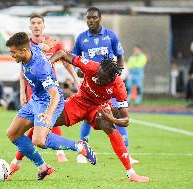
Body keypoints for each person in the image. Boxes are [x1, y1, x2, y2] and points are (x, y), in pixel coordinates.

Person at [5, 32, 96, 180]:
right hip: (36, 99)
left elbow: (55, 94)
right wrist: (46, 46)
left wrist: (48, 114)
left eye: (13, 53)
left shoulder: (40, 68)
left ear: (23, 51)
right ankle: (43, 167)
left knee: (39, 140)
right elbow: (39, 47)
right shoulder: (30, 50)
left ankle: (80, 147)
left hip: (49, 102)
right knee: (13, 133)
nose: (12, 56)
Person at [49, 50, 149, 182]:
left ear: (111, 80)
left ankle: (131, 173)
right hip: (78, 102)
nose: (96, 78)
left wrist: (112, 119)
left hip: (96, 107)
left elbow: (126, 120)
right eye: (97, 74)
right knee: (45, 123)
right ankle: (20, 162)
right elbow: (62, 54)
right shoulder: (92, 66)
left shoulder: (118, 86)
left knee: (109, 126)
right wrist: (48, 63)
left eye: (101, 78)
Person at [72, 7, 138, 164]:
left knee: (118, 113)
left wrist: (118, 74)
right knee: (88, 117)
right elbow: (74, 58)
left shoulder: (111, 36)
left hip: (109, 84)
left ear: (100, 18)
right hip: (91, 85)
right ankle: (83, 151)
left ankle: (126, 151)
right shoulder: (81, 38)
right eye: (88, 18)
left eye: (94, 17)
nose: (90, 21)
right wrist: (79, 71)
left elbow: (120, 56)